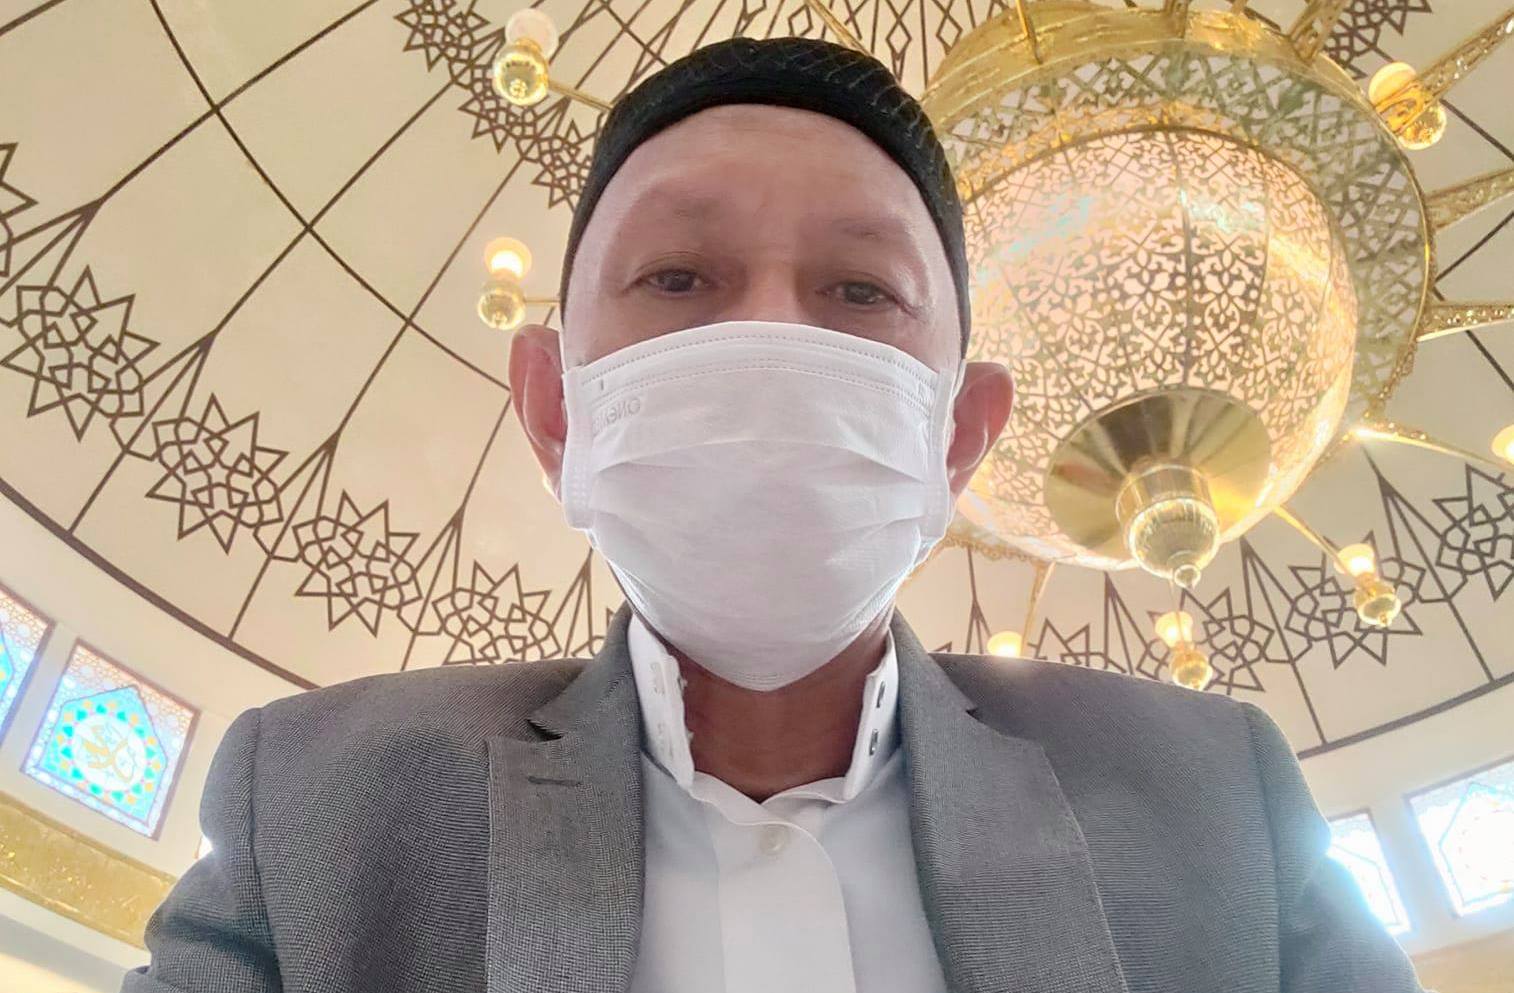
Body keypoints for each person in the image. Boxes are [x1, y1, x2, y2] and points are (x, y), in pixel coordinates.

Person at [124, 36, 1424, 993]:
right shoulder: (320, 807)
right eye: (677, 274)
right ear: (557, 408)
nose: (769, 338)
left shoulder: (1217, 804)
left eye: (860, 291)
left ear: (958, 435)